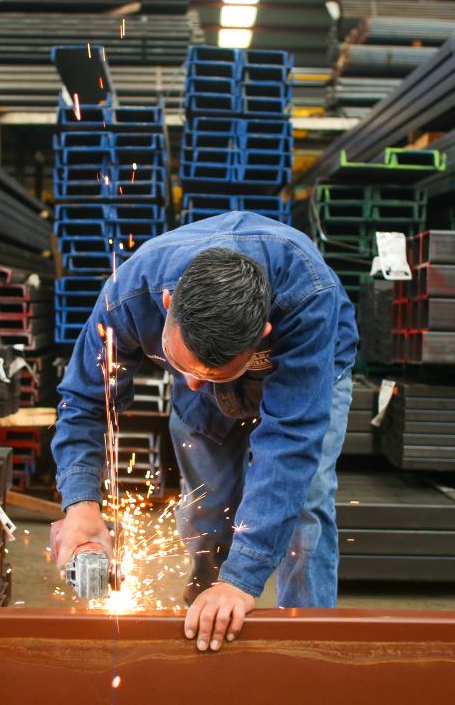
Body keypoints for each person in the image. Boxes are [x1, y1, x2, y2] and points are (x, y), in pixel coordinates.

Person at [51, 211, 358, 652]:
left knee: (304, 508)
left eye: (211, 374)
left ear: (263, 335)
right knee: (206, 511)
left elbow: (290, 442)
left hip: (310, 370)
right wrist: (80, 504)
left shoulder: (306, 298)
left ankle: (307, 642)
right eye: (183, 367)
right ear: (169, 302)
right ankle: (206, 613)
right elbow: (85, 400)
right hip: (214, 345)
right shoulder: (128, 296)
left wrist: (242, 580)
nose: (194, 382)